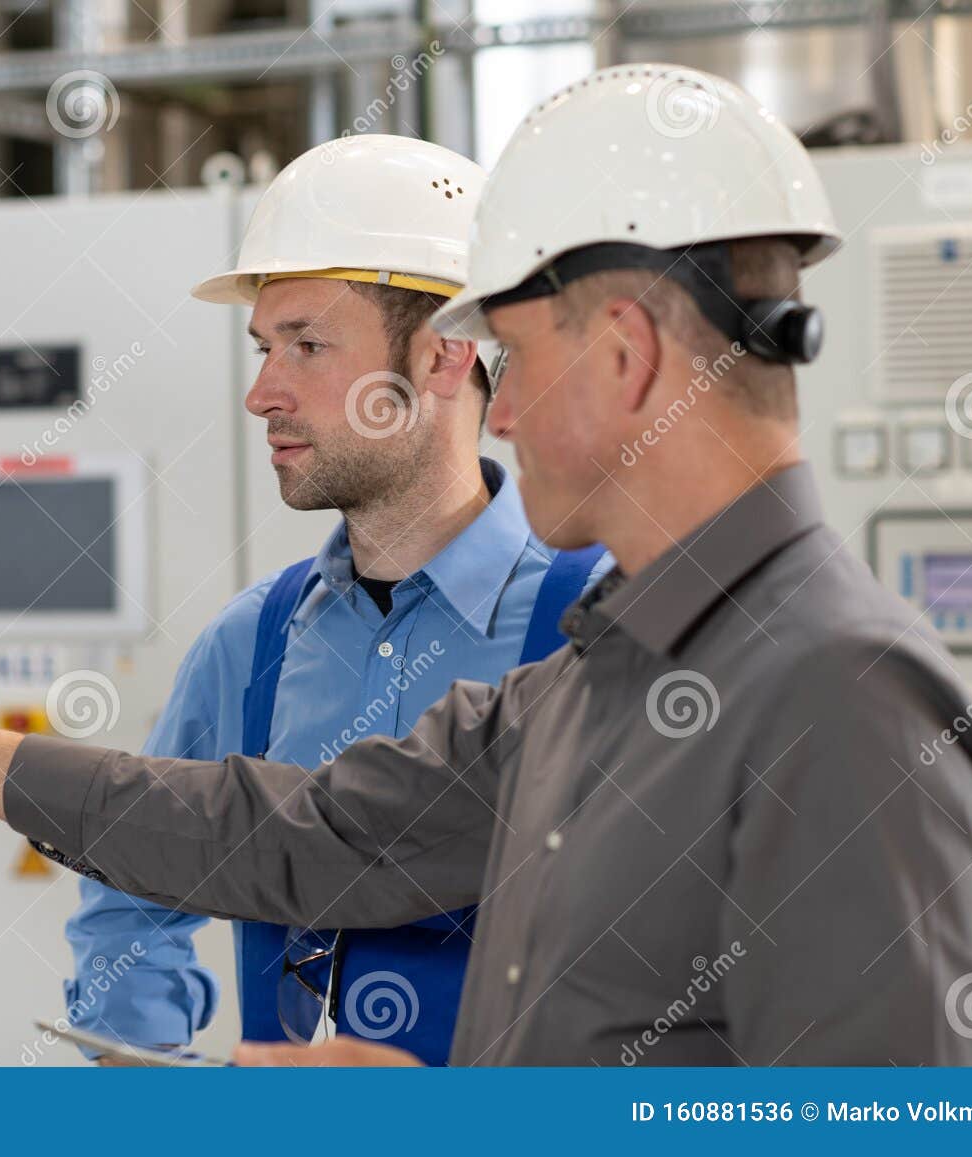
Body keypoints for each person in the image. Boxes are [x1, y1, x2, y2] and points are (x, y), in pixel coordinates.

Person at [0, 65, 972, 1066]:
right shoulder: (605, 672)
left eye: (516, 357)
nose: (497, 411)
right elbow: (300, 833)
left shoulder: (839, 698)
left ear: (627, 356)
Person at [63, 134, 609, 1065]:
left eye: (307, 345)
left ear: (443, 357)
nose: (262, 393)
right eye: (264, 346)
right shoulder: (252, 644)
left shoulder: (598, 625)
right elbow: (128, 895)